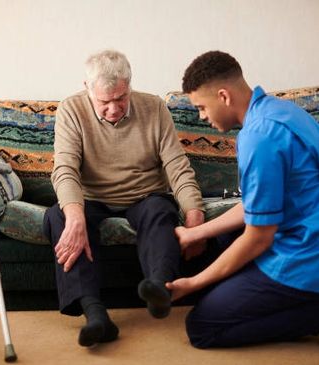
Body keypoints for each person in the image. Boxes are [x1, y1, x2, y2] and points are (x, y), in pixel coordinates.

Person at [43, 49, 205, 347]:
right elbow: (64, 169)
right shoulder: (71, 109)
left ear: (130, 86)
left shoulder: (154, 107)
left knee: (160, 209)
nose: (114, 108)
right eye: (104, 102)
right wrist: (75, 216)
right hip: (91, 197)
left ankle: (158, 288)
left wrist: (195, 215)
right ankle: (96, 315)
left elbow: (177, 167)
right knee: (59, 216)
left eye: (121, 98)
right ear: (87, 89)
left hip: (143, 194)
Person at [166, 50, 319, 348]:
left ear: (223, 96)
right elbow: (255, 204)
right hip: (304, 230)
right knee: (223, 242)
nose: (202, 117)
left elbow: (258, 237)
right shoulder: (281, 110)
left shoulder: (259, 136)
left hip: (305, 254)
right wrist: (194, 232)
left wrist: (194, 284)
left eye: (201, 107)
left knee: (201, 327)